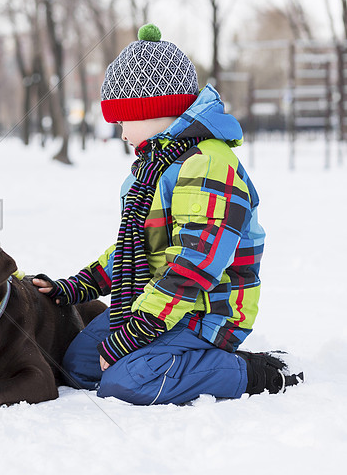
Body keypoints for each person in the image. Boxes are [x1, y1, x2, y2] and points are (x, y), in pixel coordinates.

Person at [33, 24, 303, 405]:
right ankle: (173, 359)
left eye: (124, 121)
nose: (122, 133)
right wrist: (78, 286)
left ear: (153, 108)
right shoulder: (152, 168)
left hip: (207, 310)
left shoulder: (208, 164)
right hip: (157, 304)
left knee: (126, 383)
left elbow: (194, 265)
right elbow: (137, 248)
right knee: (79, 366)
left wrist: (133, 334)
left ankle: (255, 372)